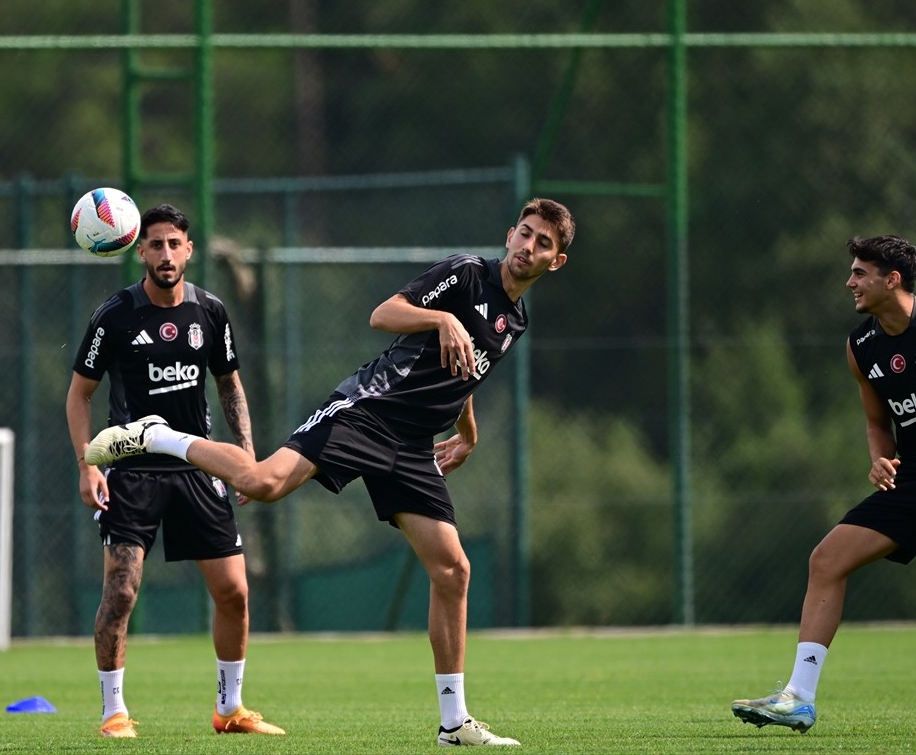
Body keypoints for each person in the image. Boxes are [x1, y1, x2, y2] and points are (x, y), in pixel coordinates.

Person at [87, 197, 578, 747]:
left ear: (554, 262)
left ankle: (454, 722)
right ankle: (158, 436)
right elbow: (384, 313)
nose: (528, 248)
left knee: (452, 570)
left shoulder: (516, 320)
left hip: (413, 445)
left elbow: (464, 373)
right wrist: (441, 318)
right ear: (510, 233)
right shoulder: (466, 275)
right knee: (263, 483)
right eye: (525, 234)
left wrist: (468, 433)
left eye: (542, 244)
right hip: (368, 410)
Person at [66, 204, 285, 740]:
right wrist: (86, 465)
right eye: (156, 244)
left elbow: (229, 385)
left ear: (189, 251)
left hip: (197, 467)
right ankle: (113, 713)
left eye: (175, 245)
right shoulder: (114, 315)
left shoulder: (210, 311)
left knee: (234, 591)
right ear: (139, 250)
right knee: (121, 590)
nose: (165, 254)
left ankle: (230, 709)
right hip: (130, 471)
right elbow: (79, 395)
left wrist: (246, 457)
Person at [732, 235, 916, 734]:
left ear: (893, 280)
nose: (849, 283)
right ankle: (798, 698)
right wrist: (878, 459)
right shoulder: (860, 346)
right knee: (827, 559)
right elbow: (876, 423)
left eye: (860, 273)